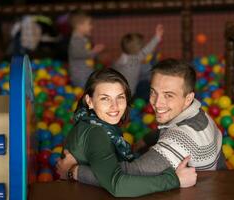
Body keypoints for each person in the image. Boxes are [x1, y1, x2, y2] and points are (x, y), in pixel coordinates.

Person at [56, 68, 197, 197]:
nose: (115, 107)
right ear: (89, 101)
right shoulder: (96, 133)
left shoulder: (90, 121)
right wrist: (175, 180)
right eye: (105, 98)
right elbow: (118, 186)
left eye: (120, 97)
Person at [112, 24, 163, 96]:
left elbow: (147, 50)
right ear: (136, 48)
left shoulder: (133, 57)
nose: (142, 48)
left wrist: (157, 37)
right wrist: (157, 37)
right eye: (141, 46)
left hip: (128, 90)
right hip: (125, 90)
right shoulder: (133, 58)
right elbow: (147, 49)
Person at [68, 10, 105, 87]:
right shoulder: (76, 40)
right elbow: (78, 54)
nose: (91, 27)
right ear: (79, 26)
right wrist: (94, 51)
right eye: (89, 24)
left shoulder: (83, 38)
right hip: (80, 74)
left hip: (86, 71)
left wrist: (94, 52)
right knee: (84, 90)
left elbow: (87, 53)